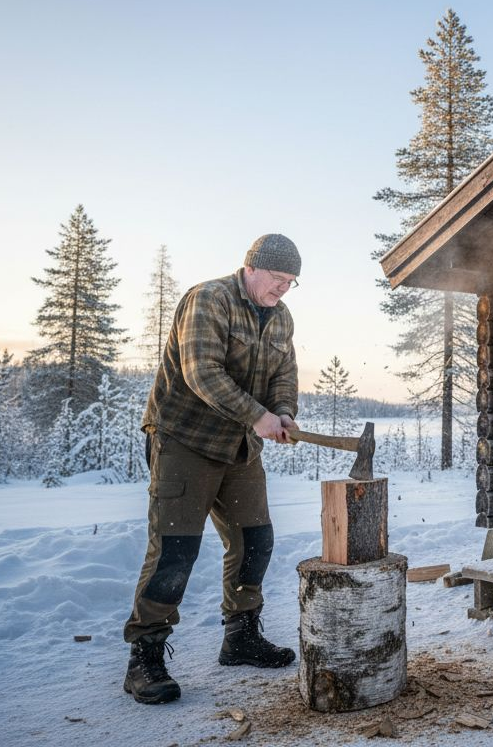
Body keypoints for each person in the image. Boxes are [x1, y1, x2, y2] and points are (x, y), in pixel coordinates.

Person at [122, 234, 303, 704]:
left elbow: (285, 374)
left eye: (291, 282)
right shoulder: (210, 299)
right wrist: (258, 417)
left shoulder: (280, 317)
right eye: (278, 278)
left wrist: (282, 411)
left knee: (254, 541)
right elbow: (201, 372)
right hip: (185, 440)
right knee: (175, 551)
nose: (283, 289)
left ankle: (240, 636)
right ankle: (145, 656)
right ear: (251, 268)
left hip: (240, 448)